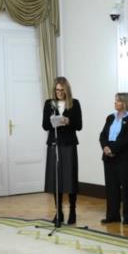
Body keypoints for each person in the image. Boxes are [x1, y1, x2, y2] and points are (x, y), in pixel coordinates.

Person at [42, 76, 83, 225]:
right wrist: (53, 121)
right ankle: (58, 211)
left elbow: (79, 125)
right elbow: (45, 125)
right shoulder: (49, 103)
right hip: (54, 144)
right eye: (57, 90)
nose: (59, 93)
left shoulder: (74, 103)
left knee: (70, 178)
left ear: (67, 90)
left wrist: (68, 121)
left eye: (61, 90)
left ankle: (72, 210)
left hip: (68, 145)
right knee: (56, 179)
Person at [98, 92, 128, 224]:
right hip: (109, 157)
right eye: (115, 100)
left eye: (118, 101)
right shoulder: (110, 117)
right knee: (111, 188)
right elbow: (103, 135)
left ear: (125, 103)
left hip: (125, 158)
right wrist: (105, 147)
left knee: (127, 188)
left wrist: (113, 149)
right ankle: (112, 215)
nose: (115, 103)